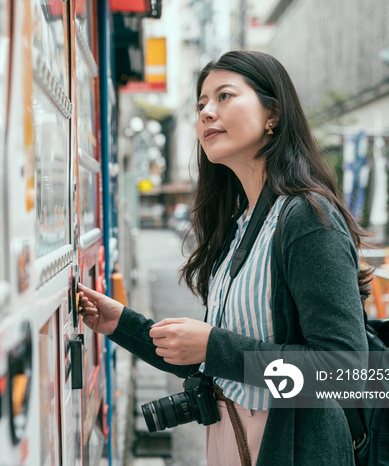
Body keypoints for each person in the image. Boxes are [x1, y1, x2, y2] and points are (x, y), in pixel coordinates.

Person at [79, 50, 371, 465]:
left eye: (224, 97)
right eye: (200, 104)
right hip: (230, 436)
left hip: (285, 446)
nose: (206, 113)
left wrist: (214, 346)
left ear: (273, 113)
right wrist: (121, 324)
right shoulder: (241, 223)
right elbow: (213, 356)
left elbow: (343, 373)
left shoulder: (306, 219)